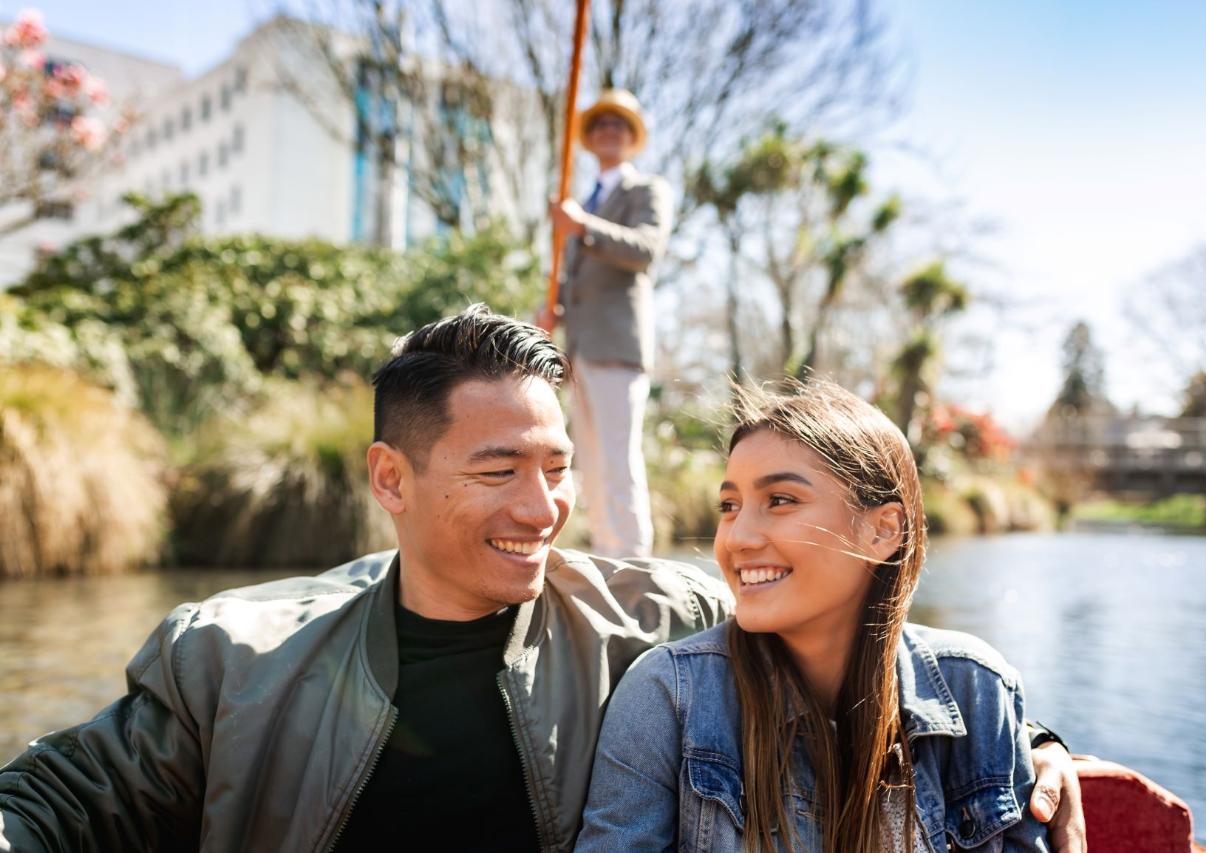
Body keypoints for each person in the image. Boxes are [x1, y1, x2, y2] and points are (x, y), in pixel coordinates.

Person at [0, 308, 1082, 852]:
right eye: (498, 469)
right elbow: (52, 798)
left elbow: (853, 633)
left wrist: (1037, 742)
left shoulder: (660, 618)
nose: (542, 507)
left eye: (558, 467)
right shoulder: (232, 654)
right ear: (392, 476)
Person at [577, 380, 1059, 852]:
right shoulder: (669, 697)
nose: (738, 536)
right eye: (729, 505)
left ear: (882, 531)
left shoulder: (977, 689)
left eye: (780, 500)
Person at [547, 88, 673, 559]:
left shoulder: (645, 191)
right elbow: (575, 277)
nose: (608, 132)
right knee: (590, 464)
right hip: (579, 348)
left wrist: (582, 226)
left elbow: (645, 250)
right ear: (590, 137)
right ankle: (606, 556)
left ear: (632, 137)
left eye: (618, 125)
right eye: (600, 124)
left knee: (619, 461)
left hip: (618, 346)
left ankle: (635, 566)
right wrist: (554, 306)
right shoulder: (583, 202)